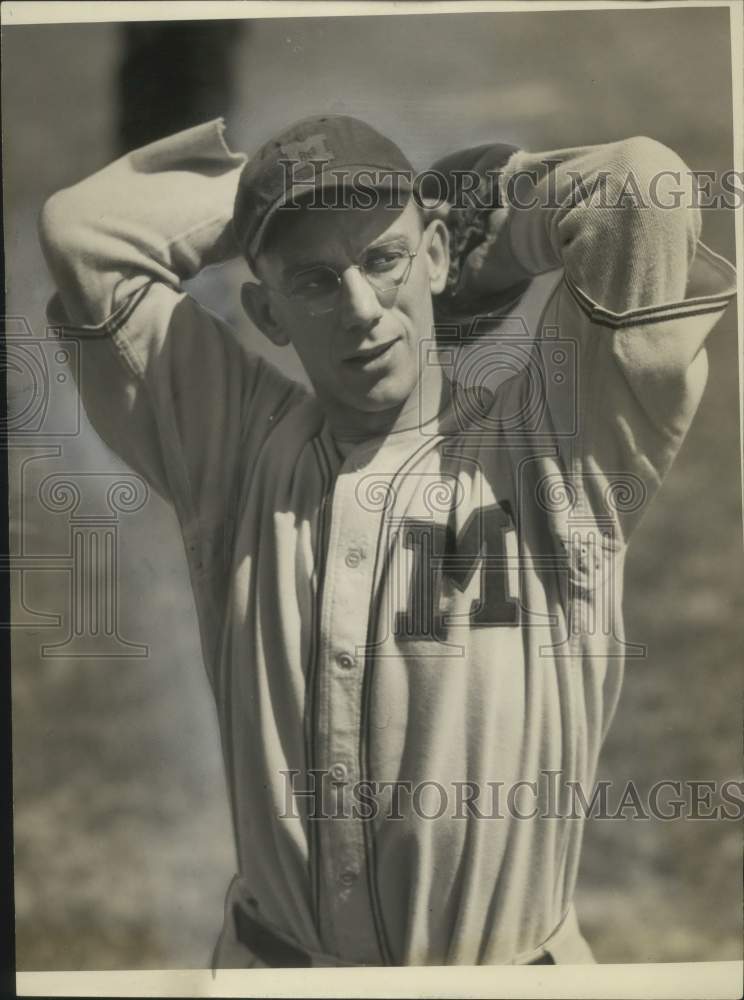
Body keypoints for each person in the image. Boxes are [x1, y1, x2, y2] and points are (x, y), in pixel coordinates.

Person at [38, 114, 735, 968]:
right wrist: (272, 182)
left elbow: (637, 186)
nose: (363, 310)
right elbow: (85, 232)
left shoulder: (555, 445)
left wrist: (491, 220)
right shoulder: (240, 451)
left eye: (384, 259)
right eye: (316, 282)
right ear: (267, 311)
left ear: (437, 256)